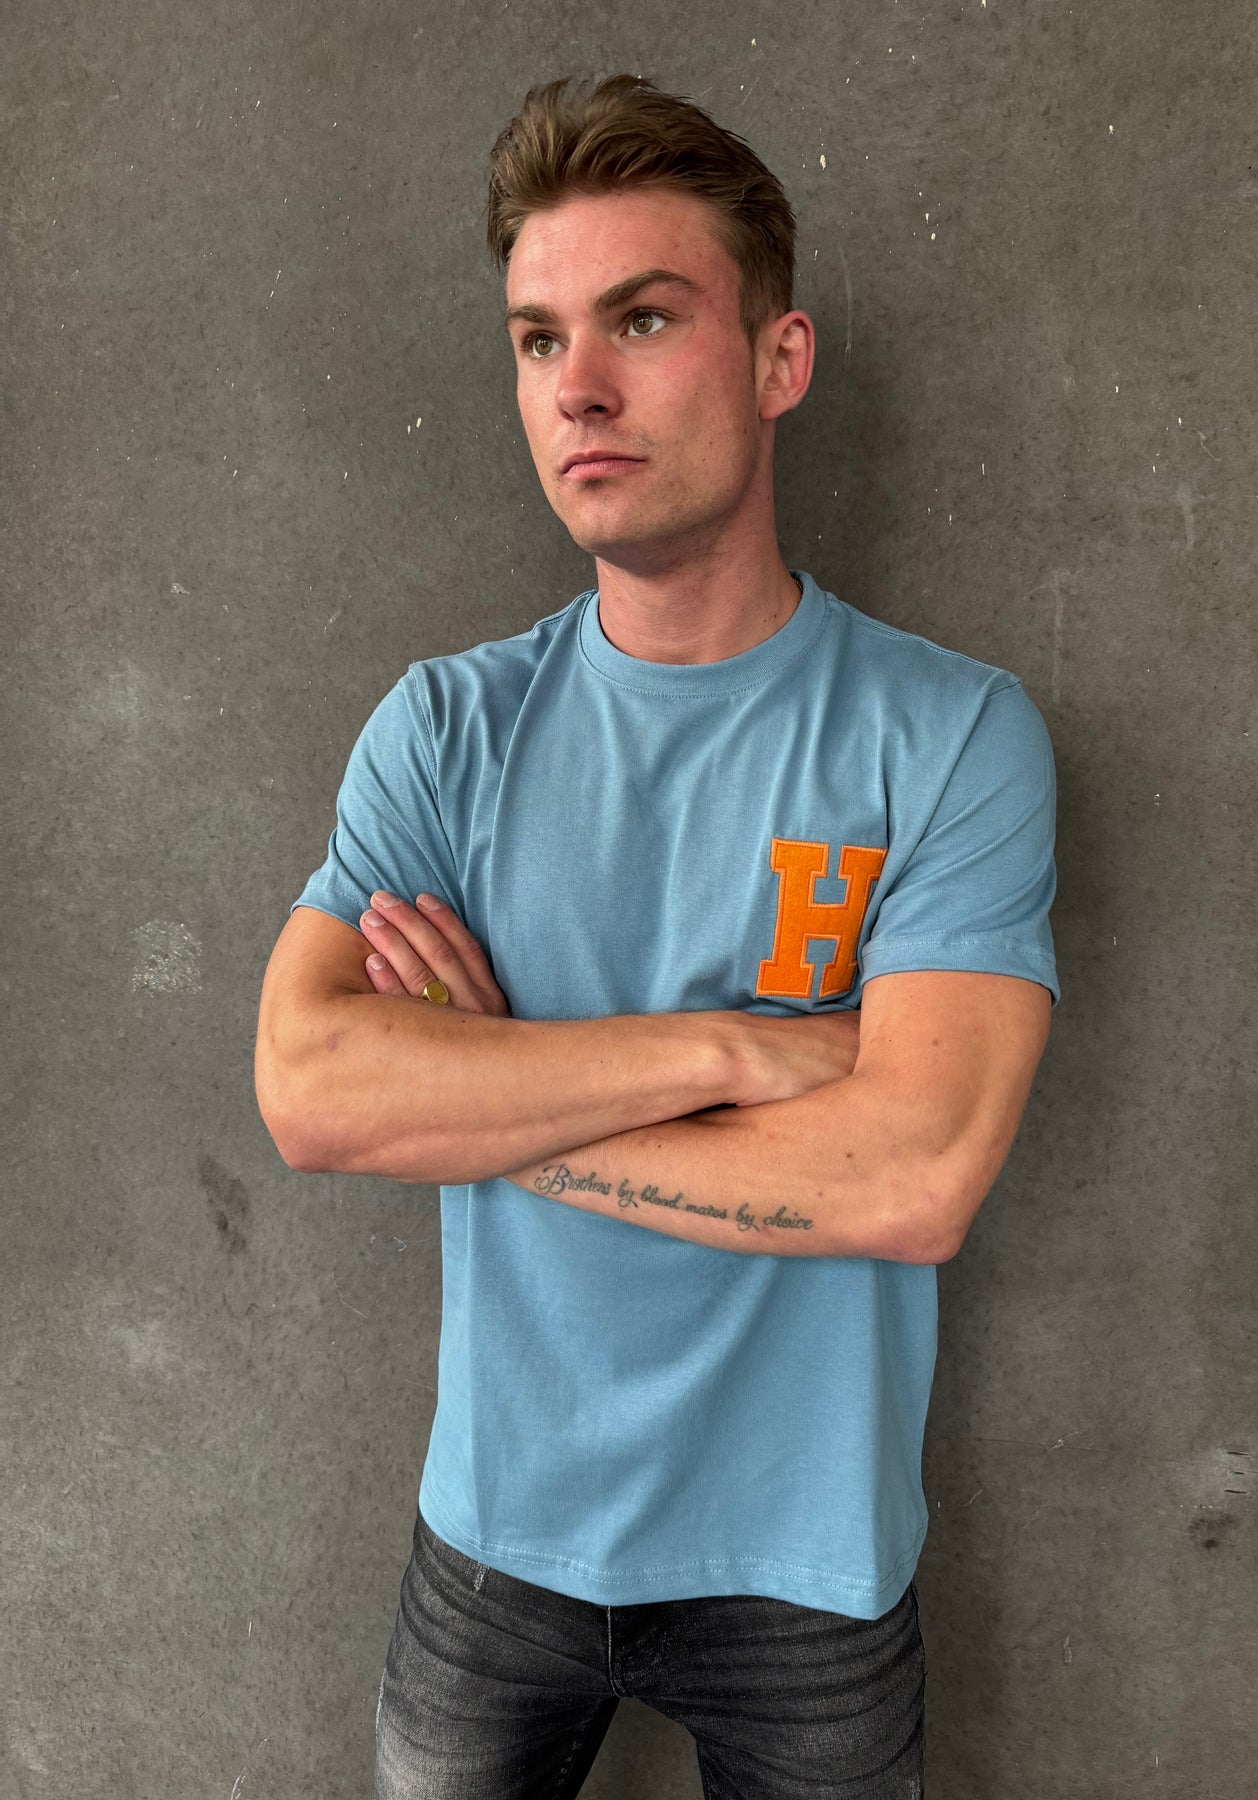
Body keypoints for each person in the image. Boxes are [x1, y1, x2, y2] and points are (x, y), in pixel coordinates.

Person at [254, 70, 1059, 1800]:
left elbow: (914, 1175)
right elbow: (314, 1094)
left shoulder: (948, 735)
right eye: (538, 339)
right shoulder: (445, 730)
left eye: (642, 318)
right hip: (492, 1544)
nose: (580, 386)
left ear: (777, 359)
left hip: (806, 1569)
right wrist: (729, 1050)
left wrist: (486, 1098)